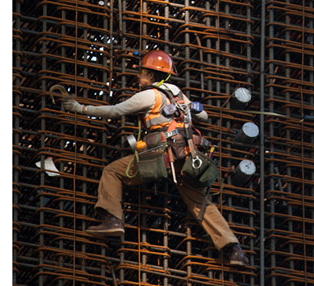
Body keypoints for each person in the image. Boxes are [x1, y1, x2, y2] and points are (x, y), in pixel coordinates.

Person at [62, 49, 247, 266]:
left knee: (112, 171)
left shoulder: (149, 95)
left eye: (141, 72)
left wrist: (80, 108)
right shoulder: (179, 94)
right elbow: (204, 115)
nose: (138, 77)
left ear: (151, 75)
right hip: (186, 158)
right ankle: (234, 249)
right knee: (200, 203)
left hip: (160, 157)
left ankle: (113, 219)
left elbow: (115, 111)